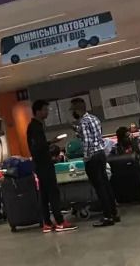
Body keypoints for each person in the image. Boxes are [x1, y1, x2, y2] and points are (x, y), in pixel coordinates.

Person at [27, 100, 77, 233]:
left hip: (39, 164)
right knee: (53, 193)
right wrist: (52, 142)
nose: (47, 112)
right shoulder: (35, 127)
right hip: (44, 164)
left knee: (44, 194)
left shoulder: (33, 126)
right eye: (45, 110)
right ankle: (60, 222)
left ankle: (47, 223)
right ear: (38, 111)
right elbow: (38, 146)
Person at [71, 98, 119, 227]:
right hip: (101, 154)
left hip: (92, 157)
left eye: (72, 110)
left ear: (77, 109)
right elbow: (94, 136)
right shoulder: (94, 118)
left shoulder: (84, 121)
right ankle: (114, 213)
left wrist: (86, 157)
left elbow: (87, 141)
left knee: (99, 188)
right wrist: (76, 129)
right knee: (106, 185)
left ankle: (107, 216)